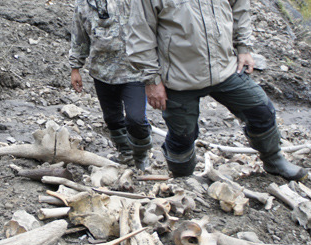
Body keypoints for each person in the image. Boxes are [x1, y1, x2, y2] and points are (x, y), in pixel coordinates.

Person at [126, 0, 307, 180]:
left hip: (225, 69)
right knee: (182, 137)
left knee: (261, 110)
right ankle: (185, 180)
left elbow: (240, 7)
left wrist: (243, 47)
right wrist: (152, 80)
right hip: (179, 78)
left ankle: (274, 161)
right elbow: (141, 33)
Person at [69, 0, 153, 170]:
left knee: (136, 119)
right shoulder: (83, 5)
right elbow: (79, 37)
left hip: (133, 71)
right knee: (112, 119)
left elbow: (150, 28)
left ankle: (141, 154)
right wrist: (75, 68)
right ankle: (125, 152)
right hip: (102, 73)